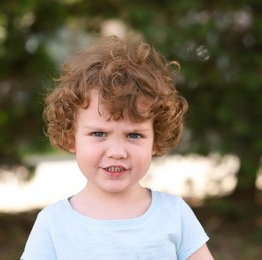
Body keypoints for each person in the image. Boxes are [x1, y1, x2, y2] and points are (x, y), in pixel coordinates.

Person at [21, 35, 214, 260]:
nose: (116, 152)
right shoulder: (54, 224)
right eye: (99, 133)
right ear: (71, 136)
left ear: (155, 139)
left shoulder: (174, 215)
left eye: (134, 135)